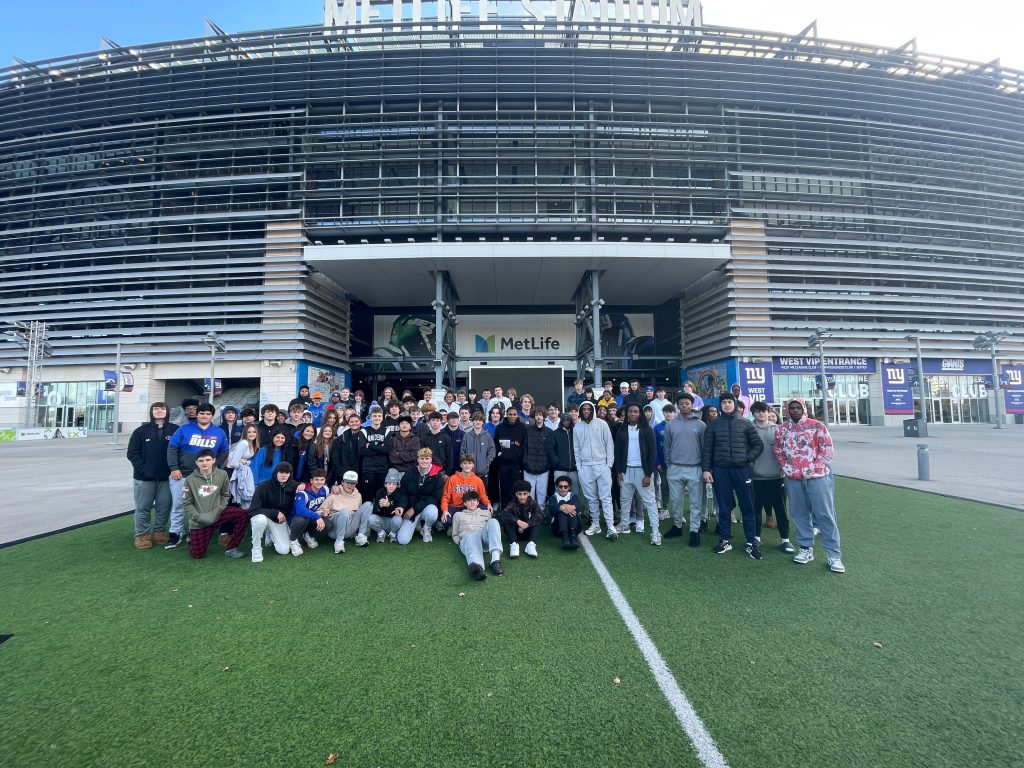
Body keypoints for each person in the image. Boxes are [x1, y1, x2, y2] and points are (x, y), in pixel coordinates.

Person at [773, 398, 844, 573]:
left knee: (825, 515)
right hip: (793, 478)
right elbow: (778, 450)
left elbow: (826, 450)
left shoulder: (817, 426)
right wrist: (787, 468)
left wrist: (811, 469)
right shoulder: (782, 429)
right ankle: (805, 549)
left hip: (817, 478)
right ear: (787, 410)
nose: (795, 411)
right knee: (799, 514)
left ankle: (833, 555)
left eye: (798, 408)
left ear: (804, 409)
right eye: (792, 408)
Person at [701, 391, 764, 560]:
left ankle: (751, 542)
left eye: (729, 402)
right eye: (723, 403)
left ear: (735, 404)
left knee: (747, 506)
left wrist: (746, 458)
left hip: (742, 470)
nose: (727, 405)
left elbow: (758, 445)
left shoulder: (745, 423)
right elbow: (707, 449)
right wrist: (706, 469)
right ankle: (725, 539)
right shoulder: (713, 425)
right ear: (720, 406)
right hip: (721, 471)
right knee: (724, 506)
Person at [165, 402, 229, 550]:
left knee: (201, 506)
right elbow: (172, 448)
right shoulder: (184, 429)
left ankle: (193, 532)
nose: (204, 416)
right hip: (183, 474)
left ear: (212, 416)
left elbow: (224, 451)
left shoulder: (219, 432)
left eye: (207, 414)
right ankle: (175, 533)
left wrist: (215, 467)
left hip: (206, 477)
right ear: (197, 414)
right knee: (179, 505)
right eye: (202, 413)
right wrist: (174, 468)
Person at [126, 402, 178, 549]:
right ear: (151, 412)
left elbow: (180, 450)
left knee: (164, 506)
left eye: (162, 408)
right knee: (143, 507)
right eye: (156, 409)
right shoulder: (141, 431)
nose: (159, 411)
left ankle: (159, 532)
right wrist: (143, 469)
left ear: (167, 411)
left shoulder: (175, 430)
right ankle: (142, 534)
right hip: (144, 478)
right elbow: (132, 453)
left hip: (167, 477)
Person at [181, 449, 248, 560]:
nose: (205, 463)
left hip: (219, 513)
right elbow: (187, 503)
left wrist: (216, 512)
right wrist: (199, 517)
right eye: (201, 461)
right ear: (196, 463)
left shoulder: (222, 474)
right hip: (200, 519)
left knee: (245, 514)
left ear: (214, 461)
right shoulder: (189, 479)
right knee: (197, 555)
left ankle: (232, 548)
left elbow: (225, 496)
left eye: (208, 460)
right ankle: (192, 537)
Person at [613, 404, 661, 545]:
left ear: (640, 414)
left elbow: (653, 453)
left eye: (636, 411)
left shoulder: (647, 430)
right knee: (625, 500)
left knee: (650, 503)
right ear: (626, 414)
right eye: (630, 411)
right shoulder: (622, 430)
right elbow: (618, 452)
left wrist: (648, 474)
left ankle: (655, 532)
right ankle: (623, 524)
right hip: (626, 471)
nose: (633, 414)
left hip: (642, 471)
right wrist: (619, 472)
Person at [750, 401, 794, 554]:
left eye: (763, 411)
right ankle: (756, 537)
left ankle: (785, 540)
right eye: (757, 411)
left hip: (777, 477)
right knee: (756, 510)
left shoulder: (778, 429)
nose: (761, 413)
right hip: (756, 477)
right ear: (753, 413)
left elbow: (787, 451)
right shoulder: (749, 429)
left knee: (781, 510)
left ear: (768, 412)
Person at [663, 394, 707, 546]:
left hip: (695, 468)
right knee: (675, 501)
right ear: (677, 405)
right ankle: (677, 525)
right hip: (675, 467)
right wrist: (669, 464)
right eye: (681, 403)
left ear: (692, 404)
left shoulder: (701, 425)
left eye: (687, 403)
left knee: (695, 502)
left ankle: (694, 531)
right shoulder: (671, 424)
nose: (684, 406)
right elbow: (667, 446)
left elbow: (704, 448)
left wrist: (703, 467)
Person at [573, 401, 617, 539]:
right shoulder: (577, 427)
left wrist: (608, 465)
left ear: (592, 410)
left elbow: (609, 444)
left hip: (601, 465)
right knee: (591, 498)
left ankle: (610, 526)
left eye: (588, 409)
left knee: (605, 497)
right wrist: (579, 468)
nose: (586, 411)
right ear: (581, 411)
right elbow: (577, 449)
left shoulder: (602, 424)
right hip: (585, 467)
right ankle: (596, 524)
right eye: (584, 409)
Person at [248, 461, 299, 562]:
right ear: (276, 472)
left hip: (279, 521)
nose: (284, 475)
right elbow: (253, 510)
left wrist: (302, 485)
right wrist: (275, 512)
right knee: (259, 520)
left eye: (287, 473)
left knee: (284, 550)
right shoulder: (263, 486)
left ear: (290, 474)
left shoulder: (293, 485)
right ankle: (256, 548)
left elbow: (308, 485)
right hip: (264, 518)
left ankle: (270, 534)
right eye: (281, 472)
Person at [451, 490, 504, 580]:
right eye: (469, 500)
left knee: (494, 521)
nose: (472, 502)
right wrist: (459, 543)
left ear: (478, 502)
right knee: (471, 536)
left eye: (474, 500)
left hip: (483, 538)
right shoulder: (458, 515)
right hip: (468, 539)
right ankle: (478, 568)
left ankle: (495, 560)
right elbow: (455, 534)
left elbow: (490, 530)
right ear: (464, 503)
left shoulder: (486, 512)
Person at [395, 448, 442, 544]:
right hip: (412, 509)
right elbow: (403, 492)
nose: (424, 461)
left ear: (431, 460)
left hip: (424, 508)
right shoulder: (410, 472)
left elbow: (435, 498)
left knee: (433, 511)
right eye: (422, 458)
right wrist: (401, 506)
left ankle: (426, 528)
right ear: (418, 460)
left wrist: (414, 509)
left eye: (427, 458)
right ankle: (417, 525)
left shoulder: (437, 475)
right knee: (402, 540)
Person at [318, 470, 371, 553]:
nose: (350, 486)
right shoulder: (335, 493)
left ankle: (361, 535)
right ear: (342, 482)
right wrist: (323, 512)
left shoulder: (358, 495)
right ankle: (339, 542)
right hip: (334, 529)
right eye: (347, 482)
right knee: (345, 511)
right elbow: (319, 511)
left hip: (350, 527)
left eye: (353, 483)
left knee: (368, 505)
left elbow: (359, 513)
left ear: (356, 483)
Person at [440, 454, 492, 530]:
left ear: (473, 465)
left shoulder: (477, 480)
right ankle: (455, 526)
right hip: (456, 507)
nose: (467, 466)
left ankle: (464, 526)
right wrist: (444, 510)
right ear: (461, 465)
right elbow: (445, 497)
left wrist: (488, 504)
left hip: (471, 507)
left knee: (486, 511)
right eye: (465, 463)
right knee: (447, 519)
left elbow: (483, 496)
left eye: (470, 463)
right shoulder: (452, 479)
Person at [288, 468, 328, 555]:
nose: (319, 482)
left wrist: (324, 511)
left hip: (311, 518)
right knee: (301, 519)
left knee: (328, 524)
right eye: (316, 479)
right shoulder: (302, 492)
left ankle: (307, 534)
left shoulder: (325, 489)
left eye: (322, 480)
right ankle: (293, 540)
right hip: (296, 520)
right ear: (311, 480)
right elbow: (300, 510)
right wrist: (317, 516)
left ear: (325, 480)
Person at [499, 479, 544, 557]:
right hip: (515, 533)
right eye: (520, 494)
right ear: (516, 494)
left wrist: (527, 524)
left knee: (537, 519)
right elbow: (504, 514)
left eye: (524, 494)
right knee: (507, 520)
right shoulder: (512, 502)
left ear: (529, 493)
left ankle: (531, 545)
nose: (522, 497)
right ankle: (514, 545)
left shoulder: (533, 502)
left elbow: (540, 514)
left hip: (528, 532)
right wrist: (517, 521)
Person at [493, 406, 527, 506]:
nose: (512, 416)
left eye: (514, 414)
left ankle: (515, 509)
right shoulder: (500, 427)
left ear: (517, 415)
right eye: (510, 414)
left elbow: (524, 444)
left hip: (516, 464)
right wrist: (500, 454)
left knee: (515, 488)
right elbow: (495, 444)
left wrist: (518, 455)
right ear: (506, 415)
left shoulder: (522, 427)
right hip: (503, 464)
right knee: (504, 487)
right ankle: (504, 510)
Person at [358, 406, 390, 502]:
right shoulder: (364, 431)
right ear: (370, 417)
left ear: (382, 417)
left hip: (382, 469)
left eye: (379, 416)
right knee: (367, 497)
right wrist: (380, 446)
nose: (377, 418)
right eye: (375, 416)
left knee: (381, 497)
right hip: (368, 469)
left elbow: (387, 450)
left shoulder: (386, 431)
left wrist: (370, 445)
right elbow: (362, 451)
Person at [522, 409, 553, 507]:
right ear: (534, 416)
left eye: (540, 415)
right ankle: (530, 513)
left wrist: (547, 465)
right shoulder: (528, 431)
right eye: (536, 415)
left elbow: (550, 450)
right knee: (529, 494)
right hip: (529, 469)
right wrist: (525, 462)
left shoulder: (549, 432)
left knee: (542, 494)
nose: (538, 417)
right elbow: (524, 448)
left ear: (543, 416)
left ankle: (540, 514)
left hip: (543, 470)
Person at [368, 468, 404, 543]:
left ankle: (393, 533)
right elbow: (375, 511)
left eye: (394, 484)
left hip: (393, 521)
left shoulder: (400, 493)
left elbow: (398, 509)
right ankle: (381, 533)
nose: (391, 486)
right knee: (371, 519)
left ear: (397, 485)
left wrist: (388, 505)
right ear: (385, 484)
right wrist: (380, 506)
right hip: (382, 520)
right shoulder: (380, 492)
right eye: (389, 484)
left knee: (398, 519)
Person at [546, 475, 582, 550]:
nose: (563, 489)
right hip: (558, 530)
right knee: (561, 508)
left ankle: (572, 538)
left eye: (565, 487)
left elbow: (578, 506)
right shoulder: (553, 497)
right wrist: (561, 507)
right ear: (557, 487)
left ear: (569, 487)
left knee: (567, 505)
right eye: (560, 486)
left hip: (575, 528)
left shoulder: (573, 495)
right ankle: (565, 537)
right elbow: (552, 509)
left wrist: (568, 507)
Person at [329, 413, 364, 485]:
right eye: (352, 421)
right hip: (346, 475)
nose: (354, 423)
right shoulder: (341, 439)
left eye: (356, 421)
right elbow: (336, 459)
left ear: (360, 422)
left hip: (363, 474)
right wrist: (341, 473)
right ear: (348, 423)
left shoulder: (367, 435)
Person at [461, 411, 495, 485]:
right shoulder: (467, 436)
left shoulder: (487, 436)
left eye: (480, 420)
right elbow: (462, 452)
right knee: (469, 494)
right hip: (468, 471)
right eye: (476, 420)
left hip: (483, 471)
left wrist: (486, 463)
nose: (478, 422)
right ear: (472, 421)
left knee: (483, 493)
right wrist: (465, 465)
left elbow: (492, 451)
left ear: (483, 422)